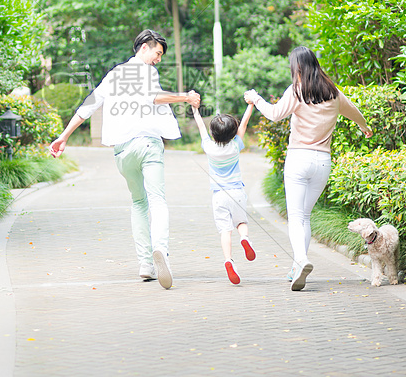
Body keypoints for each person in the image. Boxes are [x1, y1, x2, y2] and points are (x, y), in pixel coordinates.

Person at [49, 29, 200, 289]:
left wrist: (63, 137)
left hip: (122, 152)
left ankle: (145, 264)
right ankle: (160, 250)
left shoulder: (114, 75)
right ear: (144, 47)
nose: (158, 59)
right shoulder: (146, 71)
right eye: (158, 53)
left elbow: (88, 106)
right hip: (148, 144)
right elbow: (153, 98)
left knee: (138, 202)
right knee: (157, 199)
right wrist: (185, 97)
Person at [244, 46, 372, 291]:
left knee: (296, 216)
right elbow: (354, 111)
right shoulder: (333, 92)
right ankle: (296, 267)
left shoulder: (296, 91)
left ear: (298, 68)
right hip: (322, 163)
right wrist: (364, 127)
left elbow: (274, 114)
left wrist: (255, 98)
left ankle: (301, 260)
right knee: (304, 216)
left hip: (298, 159)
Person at [192, 102, 257, 285]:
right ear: (233, 133)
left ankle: (229, 260)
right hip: (237, 192)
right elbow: (243, 124)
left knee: (224, 230)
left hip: (219, 196)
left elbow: (200, 126)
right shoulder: (236, 145)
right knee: (241, 222)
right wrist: (250, 105)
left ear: (214, 134)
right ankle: (244, 238)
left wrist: (195, 109)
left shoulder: (208, 147)